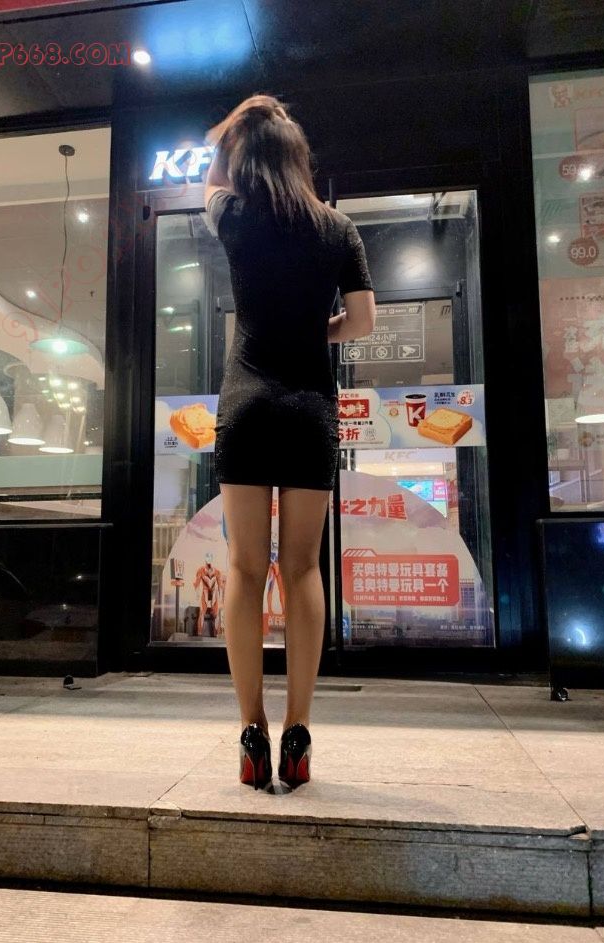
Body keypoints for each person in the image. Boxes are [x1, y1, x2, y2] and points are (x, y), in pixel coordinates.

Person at [204, 94, 375, 791]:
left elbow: (210, 178)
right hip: (309, 411)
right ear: (299, 157)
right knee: (302, 569)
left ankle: (252, 733)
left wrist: (241, 122)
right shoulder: (338, 229)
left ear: (245, 158)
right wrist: (314, 332)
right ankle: (298, 733)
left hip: (245, 407)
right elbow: (362, 321)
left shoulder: (232, 215)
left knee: (245, 569)